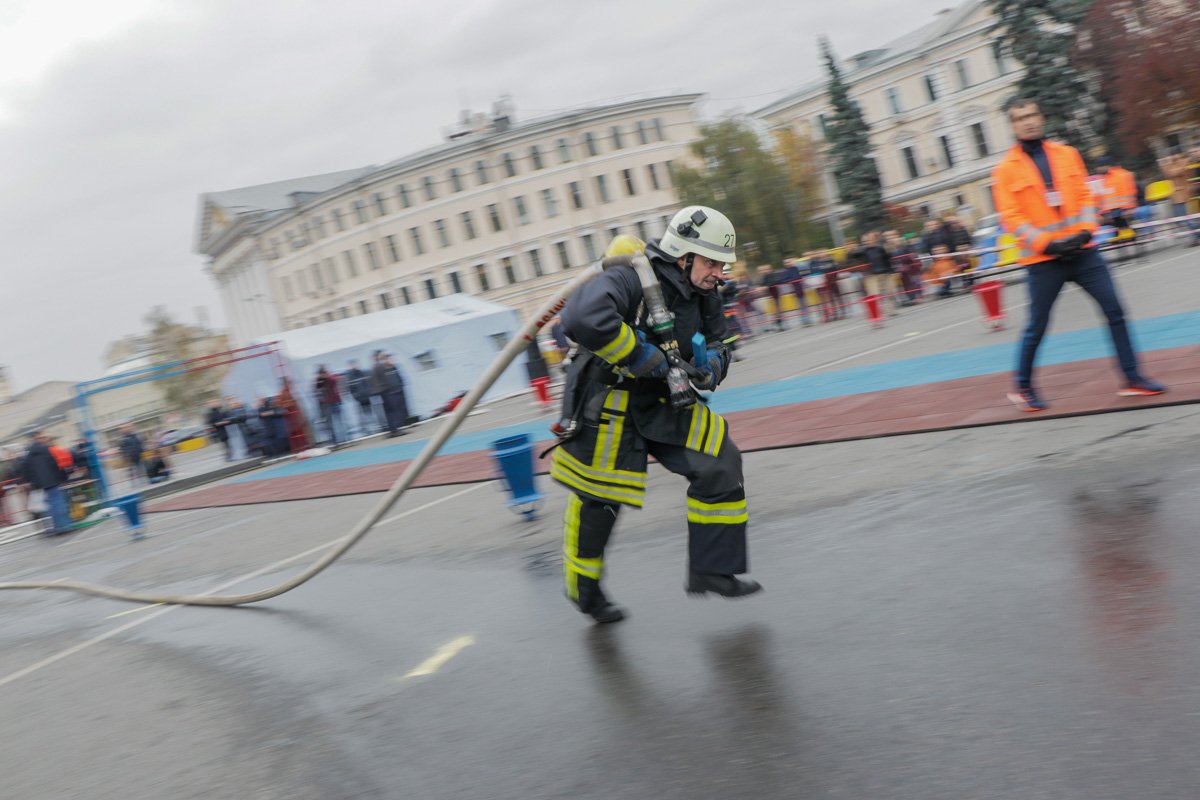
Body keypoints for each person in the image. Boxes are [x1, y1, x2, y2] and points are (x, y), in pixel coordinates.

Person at [550, 206, 762, 625]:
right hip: (608, 404)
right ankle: (584, 589)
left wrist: (711, 368)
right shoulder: (631, 275)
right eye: (712, 262)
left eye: (723, 265)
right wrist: (649, 359)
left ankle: (713, 570)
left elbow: (722, 342)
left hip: (668, 400)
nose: (719, 273)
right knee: (600, 502)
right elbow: (580, 318)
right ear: (683, 254)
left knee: (720, 462)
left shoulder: (706, 292)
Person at [992, 96, 1166, 411]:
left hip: (1083, 252)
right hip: (1044, 261)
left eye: (1032, 114)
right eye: (1020, 118)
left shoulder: (1068, 155)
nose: (1028, 121)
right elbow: (1011, 218)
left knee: (1115, 310)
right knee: (1037, 325)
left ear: (1041, 116)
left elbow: (1086, 195)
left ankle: (1132, 378)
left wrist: (1087, 229)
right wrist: (1048, 244)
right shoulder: (1005, 170)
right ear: (1012, 125)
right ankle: (1023, 387)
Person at [18, 431, 72, 535]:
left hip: (39, 483)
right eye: (42, 437)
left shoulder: (27, 452)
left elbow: (24, 467)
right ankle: (63, 526)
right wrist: (62, 478)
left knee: (45, 506)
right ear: (36, 438)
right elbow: (55, 464)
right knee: (57, 503)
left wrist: (27, 481)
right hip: (52, 480)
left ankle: (51, 528)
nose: (44, 439)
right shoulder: (46, 449)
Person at [372, 351, 411, 437]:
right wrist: (386, 390)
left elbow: (396, 378)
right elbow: (380, 381)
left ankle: (395, 429)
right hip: (388, 393)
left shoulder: (388, 367)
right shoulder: (380, 367)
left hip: (392, 391)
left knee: (393, 411)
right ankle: (394, 429)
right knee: (393, 411)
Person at [1094, 156, 1137, 230]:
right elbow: (1103, 197)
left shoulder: (1121, 175)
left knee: (1123, 229)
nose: (1097, 169)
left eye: (1099, 166)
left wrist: (1128, 209)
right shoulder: (1105, 178)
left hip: (1121, 211)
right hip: (1112, 212)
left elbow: (1127, 192)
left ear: (1106, 166)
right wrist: (1101, 214)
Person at [314, 365, 345, 446]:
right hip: (327, 404)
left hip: (335, 402)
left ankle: (342, 439)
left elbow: (334, 380)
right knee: (331, 424)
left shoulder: (330, 378)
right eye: (320, 374)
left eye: (322, 374)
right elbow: (317, 388)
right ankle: (335, 441)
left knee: (339, 422)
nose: (321, 376)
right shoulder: (320, 381)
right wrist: (319, 380)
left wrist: (326, 377)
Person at [344, 359, 375, 437]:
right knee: (361, 414)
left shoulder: (362, 373)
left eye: (355, 364)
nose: (354, 366)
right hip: (359, 398)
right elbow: (351, 388)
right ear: (349, 366)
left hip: (367, 396)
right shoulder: (350, 376)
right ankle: (366, 429)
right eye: (352, 365)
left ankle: (372, 428)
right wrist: (356, 396)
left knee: (369, 412)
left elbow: (367, 383)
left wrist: (369, 392)